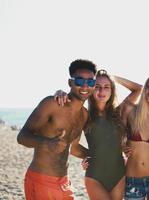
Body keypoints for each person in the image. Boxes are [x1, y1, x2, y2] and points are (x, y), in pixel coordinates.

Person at [54, 69, 142, 200]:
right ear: (91, 89)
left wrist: (113, 78)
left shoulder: (120, 113)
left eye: (107, 87)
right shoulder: (83, 115)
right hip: (95, 176)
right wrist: (90, 155)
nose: (102, 91)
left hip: (119, 175)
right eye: (97, 87)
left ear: (112, 90)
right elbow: (73, 147)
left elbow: (138, 89)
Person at [17, 59, 97, 200]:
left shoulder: (84, 115)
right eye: (79, 81)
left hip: (64, 182)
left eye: (90, 82)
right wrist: (46, 143)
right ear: (70, 82)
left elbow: (74, 148)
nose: (85, 85)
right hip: (41, 180)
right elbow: (22, 137)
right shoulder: (52, 104)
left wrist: (98, 157)